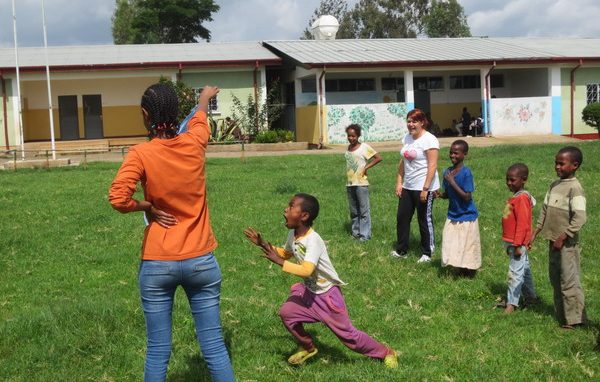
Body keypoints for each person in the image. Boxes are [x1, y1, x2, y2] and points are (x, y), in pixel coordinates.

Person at [109, 83, 235, 382]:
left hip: (157, 264)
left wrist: (146, 206)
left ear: (144, 115)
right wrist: (204, 97)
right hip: (202, 261)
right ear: (178, 113)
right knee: (215, 347)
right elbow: (201, 117)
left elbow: (118, 198)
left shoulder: (140, 154)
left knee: (157, 350)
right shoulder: (195, 142)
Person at [243, 194, 398, 368]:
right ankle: (308, 347)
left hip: (328, 298)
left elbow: (306, 270)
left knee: (349, 336)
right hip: (310, 293)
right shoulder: (293, 234)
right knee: (287, 313)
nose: (285, 209)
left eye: (291, 206)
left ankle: (386, 352)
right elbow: (286, 253)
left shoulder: (313, 240)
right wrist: (263, 244)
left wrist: (279, 262)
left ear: (304, 216)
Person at [531, 146, 587, 328]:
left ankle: (574, 320)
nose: (557, 167)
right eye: (556, 163)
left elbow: (580, 217)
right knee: (555, 279)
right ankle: (562, 316)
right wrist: (535, 232)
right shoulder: (554, 185)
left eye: (562, 164)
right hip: (553, 242)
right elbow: (545, 211)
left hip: (567, 245)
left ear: (575, 165)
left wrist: (564, 237)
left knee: (568, 281)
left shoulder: (575, 188)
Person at [391, 108, 440, 263]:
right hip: (408, 185)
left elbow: (432, 165)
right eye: (409, 121)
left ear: (422, 122)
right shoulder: (407, 138)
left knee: (424, 219)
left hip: (424, 186)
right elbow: (403, 161)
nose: (411, 124)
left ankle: (427, 252)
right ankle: (402, 250)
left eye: (414, 121)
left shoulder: (429, 139)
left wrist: (425, 189)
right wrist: (399, 182)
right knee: (402, 218)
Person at [436, 140, 481, 276]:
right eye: (451, 152)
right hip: (453, 215)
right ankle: (458, 266)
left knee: (467, 244)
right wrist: (440, 195)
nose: (452, 155)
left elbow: (467, 196)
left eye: (456, 153)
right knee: (452, 241)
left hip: (467, 215)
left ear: (464, 154)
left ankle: (469, 269)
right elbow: (449, 194)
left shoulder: (466, 173)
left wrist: (452, 182)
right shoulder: (447, 172)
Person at [502, 163, 539, 314]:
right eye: (507, 179)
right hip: (512, 242)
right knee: (525, 270)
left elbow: (523, 224)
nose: (509, 183)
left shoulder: (522, 198)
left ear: (523, 180)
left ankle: (512, 304)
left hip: (516, 243)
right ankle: (531, 298)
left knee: (515, 273)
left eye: (513, 180)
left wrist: (517, 245)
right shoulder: (517, 197)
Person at [344, 124, 382, 241]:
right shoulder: (349, 148)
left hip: (361, 183)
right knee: (354, 211)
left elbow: (378, 158)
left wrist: (366, 167)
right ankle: (356, 234)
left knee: (364, 211)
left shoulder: (364, 147)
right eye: (349, 136)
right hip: (350, 183)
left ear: (358, 136)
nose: (351, 138)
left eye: (353, 136)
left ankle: (365, 236)